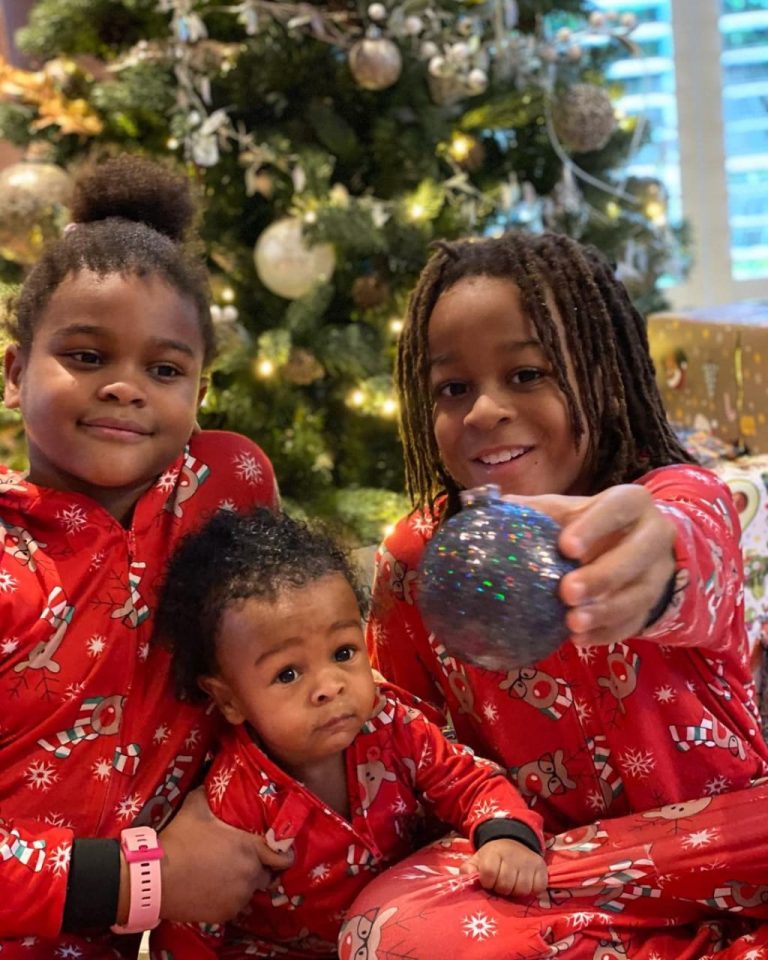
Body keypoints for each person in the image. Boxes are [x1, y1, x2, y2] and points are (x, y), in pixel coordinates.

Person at [353, 231, 768, 957]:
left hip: (728, 845)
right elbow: (406, 744)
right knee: (387, 928)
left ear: (602, 376)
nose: (483, 411)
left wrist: (654, 565)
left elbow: (687, 541)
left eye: (527, 374)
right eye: (453, 388)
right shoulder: (415, 560)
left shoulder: (676, 497)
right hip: (547, 874)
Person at [0, 155, 288, 959]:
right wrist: (139, 881)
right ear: (15, 373)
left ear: (199, 393)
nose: (127, 388)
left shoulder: (228, 486)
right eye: (87, 357)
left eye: (164, 370)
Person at [150, 506, 548, 959]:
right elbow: (189, 918)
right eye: (287, 674)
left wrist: (505, 836)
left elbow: (470, 781)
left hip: (409, 928)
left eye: (342, 652)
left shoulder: (392, 725)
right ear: (228, 700)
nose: (330, 685)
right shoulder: (233, 805)